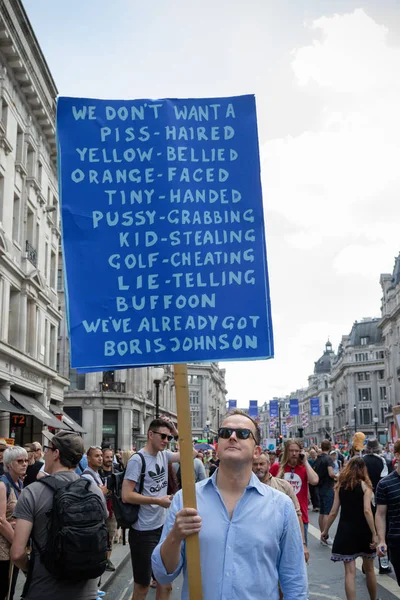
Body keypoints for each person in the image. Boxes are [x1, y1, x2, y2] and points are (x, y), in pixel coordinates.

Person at [152, 409, 308, 600]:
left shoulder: (281, 506)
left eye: (242, 434)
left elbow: (294, 581)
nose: (232, 437)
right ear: (217, 446)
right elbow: (162, 573)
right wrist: (175, 535)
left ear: (256, 451)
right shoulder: (186, 500)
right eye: (225, 433)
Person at [11, 431, 108, 600]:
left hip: (44, 590)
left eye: (48, 449)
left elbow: (17, 553)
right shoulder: (94, 491)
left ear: (56, 454)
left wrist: (30, 569)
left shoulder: (32, 492)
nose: (45, 454)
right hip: (87, 592)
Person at [122, 418, 197, 600]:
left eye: (169, 438)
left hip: (162, 528)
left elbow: (192, 453)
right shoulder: (137, 460)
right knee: (142, 587)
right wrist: (157, 500)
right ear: (150, 435)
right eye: (163, 436)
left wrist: (176, 432)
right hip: (143, 532)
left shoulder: (164, 455)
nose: (166, 440)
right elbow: (126, 495)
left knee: (166, 583)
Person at [321, 458, 378, 600]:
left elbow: (333, 511)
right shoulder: (366, 486)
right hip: (364, 530)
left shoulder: (340, 486)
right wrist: (374, 533)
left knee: (350, 573)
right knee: (370, 569)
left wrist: (325, 531)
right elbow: (367, 511)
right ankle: (373, 599)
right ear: (363, 469)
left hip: (346, 530)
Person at [253, 451, 309, 563]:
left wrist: (302, 544)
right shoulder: (244, 489)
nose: (258, 467)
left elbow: (297, 515)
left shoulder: (284, 486)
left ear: (269, 464)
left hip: (281, 544)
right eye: (255, 464)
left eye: (262, 464)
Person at [270, 438, 319, 545]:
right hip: (279, 516)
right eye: (291, 451)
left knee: (300, 551)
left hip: (300, 516)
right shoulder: (276, 467)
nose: (294, 453)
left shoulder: (303, 468)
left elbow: (315, 481)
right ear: (286, 452)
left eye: (297, 451)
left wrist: (305, 461)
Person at [0, 446, 28, 600]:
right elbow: (1, 520)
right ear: (9, 464)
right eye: (20, 461)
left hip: (13, 548)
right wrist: (18, 542)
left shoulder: (19, 484)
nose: (24, 464)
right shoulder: (2, 485)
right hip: (2, 550)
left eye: (26, 460)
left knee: (10, 591)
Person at [363, 438, 391, 574]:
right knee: (381, 532)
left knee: (367, 531)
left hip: (365, 498)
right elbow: (384, 480)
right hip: (380, 498)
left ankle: (366, 563)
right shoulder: (382, 461)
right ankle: (383, 564)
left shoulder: (361, 461)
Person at [376, 438, 400, 587]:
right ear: (397, 455)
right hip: (397, 540)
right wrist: (381, 540)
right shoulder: (385, 484)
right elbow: (380, 514)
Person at [313, 439, 336, 545]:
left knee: (322, 512)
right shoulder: (328, 459)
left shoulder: (318, 458)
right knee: (327, 512)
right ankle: (325, 536)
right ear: (330, 447)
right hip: (328, 487)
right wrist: (338, 477)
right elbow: (331, 473)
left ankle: (322, 535)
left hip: (319, 487)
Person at [99, 447, 118, 572]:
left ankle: (107, 559)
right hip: (100, 508)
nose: (109, 460)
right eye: (107, 457)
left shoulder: (116, 472)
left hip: (113, 508)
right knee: (100, 535)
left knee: (110, 535)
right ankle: (100, 558)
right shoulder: (97, 473)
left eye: (111, 457)